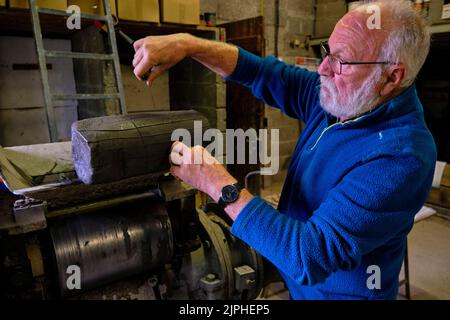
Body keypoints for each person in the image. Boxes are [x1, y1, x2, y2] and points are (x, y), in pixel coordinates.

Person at [132, 0, 436, 299]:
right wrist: (189, 45)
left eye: (341, 61)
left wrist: (218, 184)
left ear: (391, 76)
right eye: (326, 52)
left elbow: (308, 255)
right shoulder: (345, 97)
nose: (323, 70)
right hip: (300, 289)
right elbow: (261, 73)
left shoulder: (402, 156)